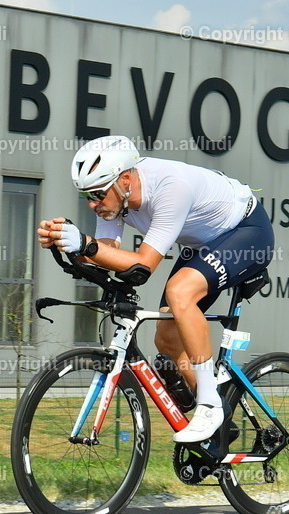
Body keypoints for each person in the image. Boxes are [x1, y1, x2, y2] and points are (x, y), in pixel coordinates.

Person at [37, 135, 274, 443]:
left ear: (124, 179)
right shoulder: (116, 202)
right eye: (86, 197)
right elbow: (108, 253)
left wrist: (85, 244)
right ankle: (222, 419)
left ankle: (209, 405)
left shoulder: (170, 187)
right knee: (167, 337)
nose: (93, 204)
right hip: (203, 245)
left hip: (246, 231)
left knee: (180, 292)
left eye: (97, 194)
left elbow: (143, 264)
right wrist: (67, 241)